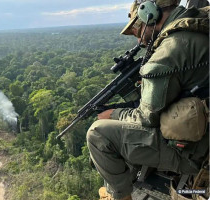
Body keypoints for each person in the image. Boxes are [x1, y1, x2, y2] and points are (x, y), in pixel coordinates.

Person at [86, 0, 209, 199]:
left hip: (199, 153)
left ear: (150, 14)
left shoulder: (170, 51)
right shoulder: (200, 25)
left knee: (99, 135)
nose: (139, 40)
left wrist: (113, 114)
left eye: (137, 29)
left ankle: (119, 195)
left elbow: (146, 118)